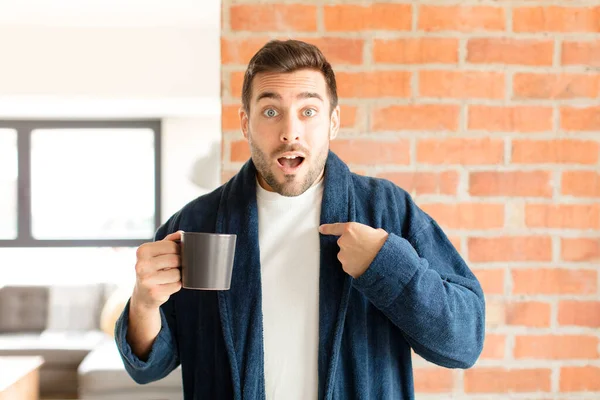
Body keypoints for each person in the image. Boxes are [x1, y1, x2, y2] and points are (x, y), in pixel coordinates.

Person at [115, 39, 486, 399]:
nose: (289, 131)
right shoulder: (196, 223)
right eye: (271, 111)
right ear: (245, 124)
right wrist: (144, 304)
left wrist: (385, 265)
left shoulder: (386, 210)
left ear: (333, 122)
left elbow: (463, 343)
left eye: (308, 111)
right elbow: (149, 366)